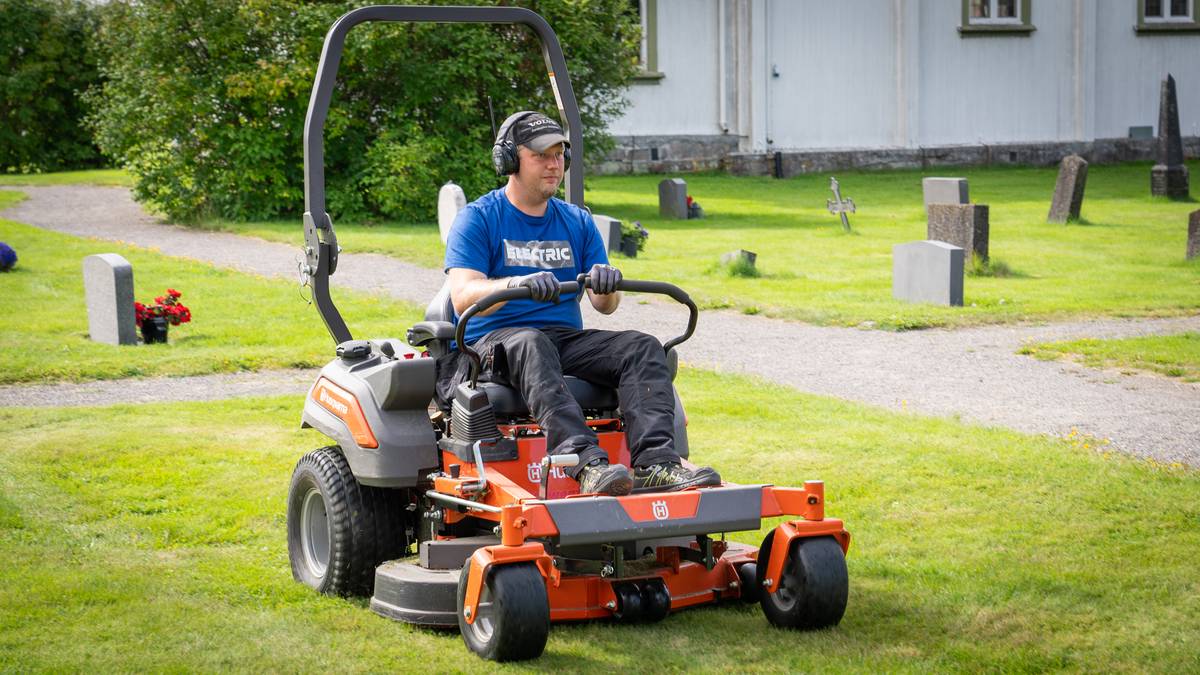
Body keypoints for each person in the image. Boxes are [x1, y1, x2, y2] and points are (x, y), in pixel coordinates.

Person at [438, 110, 721, 497]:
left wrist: (607, 283)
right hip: (494, 345)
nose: (554, 164)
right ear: (508, 160)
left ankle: (657, 464)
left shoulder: (577, 221)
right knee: (530, 342)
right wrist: (517, 282)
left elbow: (606, 306)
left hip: (561, 340)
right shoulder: (479, 219)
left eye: (559, 154)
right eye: (541, 155)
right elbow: (464, 295)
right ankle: (585, 464)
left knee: (642, 346)